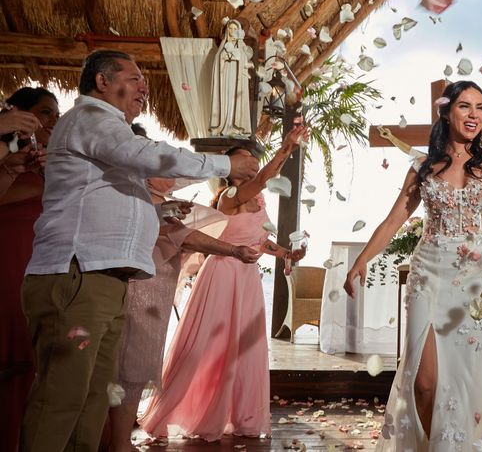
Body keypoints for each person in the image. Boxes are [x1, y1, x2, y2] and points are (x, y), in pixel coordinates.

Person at [344, 0, 482, 451]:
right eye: (465, 106)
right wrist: (361, 260)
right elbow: (394, 217)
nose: (475, 114)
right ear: (448, 113)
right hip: (429, 273)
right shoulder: (423, 166)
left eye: (480, 107)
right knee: (423, 382)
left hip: (481, 278)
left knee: (470, 376)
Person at [19, 49, 260, 452]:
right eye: (134, 79)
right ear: (102, 81)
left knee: (93, 399)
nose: (144, 87)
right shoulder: (91, 119)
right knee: (61, 398)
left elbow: (155, 174)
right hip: (77, 274)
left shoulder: (115, 139)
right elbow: (145, 156)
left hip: (106, 278)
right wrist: (222, 164)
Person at [139, 125, 307, 441]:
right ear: (231, 171)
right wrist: (287, 147)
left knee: (245, 348)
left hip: (247, 279)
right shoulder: (230, 196)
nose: (252, 161)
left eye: (253, 157)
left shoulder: (258, 199)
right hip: (223, 275)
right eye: (244, 158)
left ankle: (241, 415)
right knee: (211, 346)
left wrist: (286, 252)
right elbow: (262, 180)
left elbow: (259, 241)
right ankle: (187, 409)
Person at [106, 176, 261, 452]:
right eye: (162, 169)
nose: (171, 176)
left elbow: (179, 237)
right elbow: (181, 235)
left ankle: (116, 439)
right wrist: (233, 250)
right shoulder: (138, 199)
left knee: (135, 367)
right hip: (141, 291)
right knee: (130, 365)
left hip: (155, 291)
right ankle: (117, 443)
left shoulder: (157, 204)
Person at [0, 87, 57, 451]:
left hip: (39, 258)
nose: (51, 120)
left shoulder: (42, 156)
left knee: (35, 349)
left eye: (54, 113)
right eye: (43, 112)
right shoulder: (9, 150)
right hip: (9, 252)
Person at [209, 19, 253, 137]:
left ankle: (234, 127)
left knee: (235, 101)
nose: (232, 31)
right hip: (225, 79)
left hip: (237, 81)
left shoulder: (242, 48)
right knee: (225, 100)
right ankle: (222, 125)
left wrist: (237, 57)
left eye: (235, 29)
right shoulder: (222, 49)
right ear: (227, 30)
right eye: (230, 28)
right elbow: (218, 66)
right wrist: (224, 57)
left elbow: (244, 62)